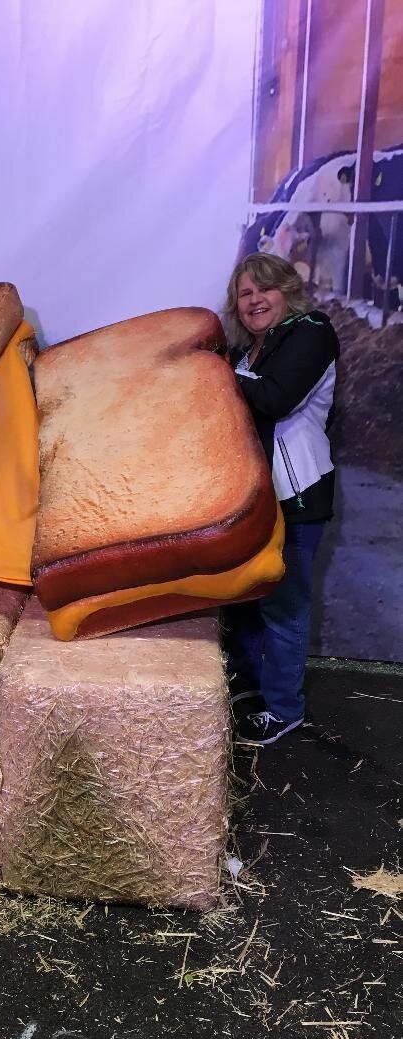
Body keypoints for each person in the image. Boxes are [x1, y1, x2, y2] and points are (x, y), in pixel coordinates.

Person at [222, 252, 340, 746]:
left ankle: (284, 709)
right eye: (245, 294)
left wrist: (214, 373)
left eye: (264, 289)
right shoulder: (244, 351)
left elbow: (275, 398)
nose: (255, 300)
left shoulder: (311, 331)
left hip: (295, 491)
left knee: (284, 605)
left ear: (287, 290)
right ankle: (254, 686)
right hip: (250, 495)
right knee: (248, 599)